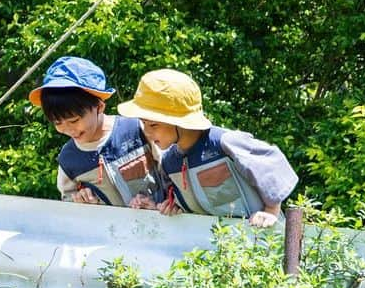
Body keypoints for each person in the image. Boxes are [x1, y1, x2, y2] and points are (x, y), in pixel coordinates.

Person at [117, 69, 298, 228]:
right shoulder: (169, 162)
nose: (147, 132)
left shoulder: (224, 143)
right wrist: (171, 205)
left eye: (154, 125)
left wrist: (271, 211)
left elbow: (273, 165)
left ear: (178, 121)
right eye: (143, 124)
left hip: (259, 239)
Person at [29, 56, 157, 207]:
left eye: (74, 120)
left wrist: (158, 203)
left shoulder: (136, 129)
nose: (68, 129)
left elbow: (170, 172)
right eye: (58, 123)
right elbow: (68, 201)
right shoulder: (68, 158)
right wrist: (80, 201)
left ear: (99, 106)